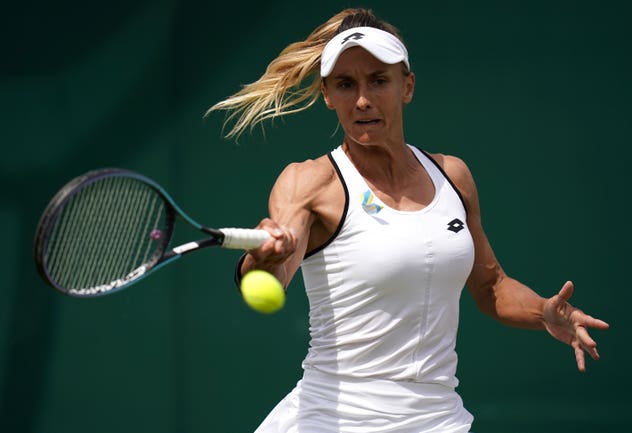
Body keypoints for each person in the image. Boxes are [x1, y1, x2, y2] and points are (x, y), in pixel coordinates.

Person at [207, 8, 609, 433]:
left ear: (407, 86)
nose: (362, 99)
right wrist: (268, 256)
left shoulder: (453, 176)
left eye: (378, 80)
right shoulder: (308, 183)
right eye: (346, 84)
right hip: (331, 421)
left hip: (438, 420)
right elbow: (276, 271)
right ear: (327, 94)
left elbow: (491, 285)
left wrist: (543, 312)